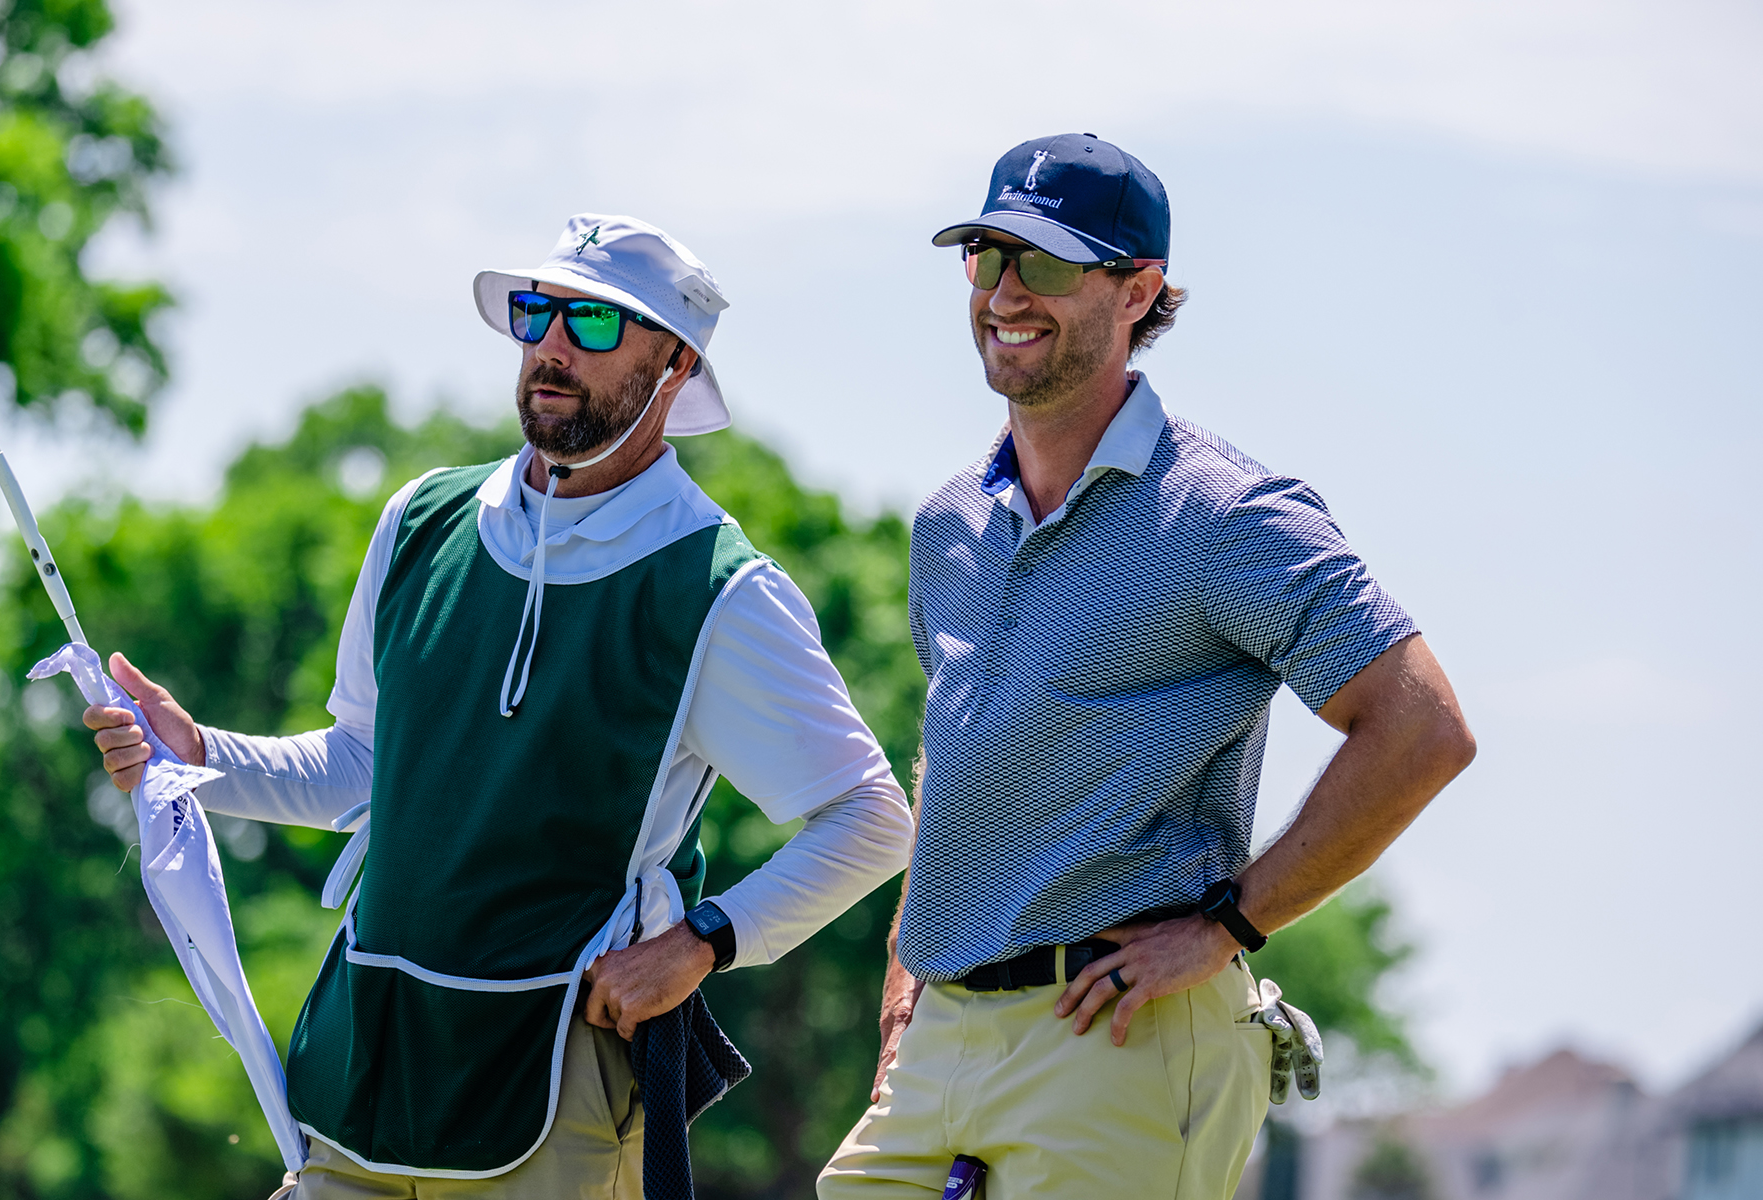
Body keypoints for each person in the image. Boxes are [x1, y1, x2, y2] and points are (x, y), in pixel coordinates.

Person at [84, 215, 914, 1198]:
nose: (551, 346)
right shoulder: (420, 520)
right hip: (363, 1070)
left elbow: (872, 818)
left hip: (554, 1091)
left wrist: (702, 943)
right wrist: (198, 757)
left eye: (594, 323)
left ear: (676, 364)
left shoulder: (718, 589)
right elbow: (363, 768)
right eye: (536, 312)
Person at [818, 135, 1477, 1199]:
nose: (1006, 292)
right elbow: (960, 760)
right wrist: (906, 971)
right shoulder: (947, 524)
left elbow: (1422, 728)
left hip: (1122, 1036)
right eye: (987, 256)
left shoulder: (1228, 514)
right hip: (941, 1042)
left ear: (1138, 290)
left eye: (1046, 262)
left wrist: (1231, 925)